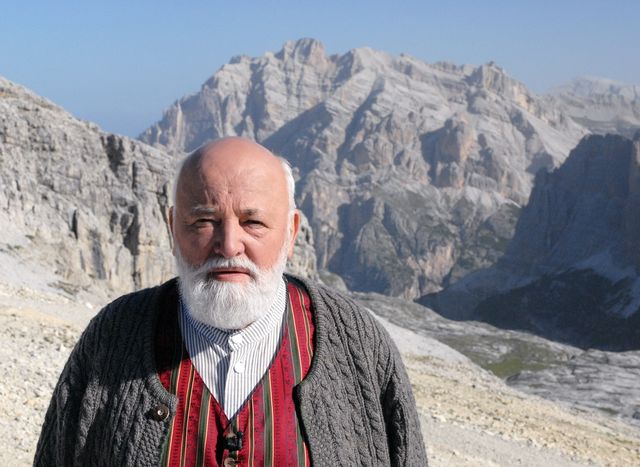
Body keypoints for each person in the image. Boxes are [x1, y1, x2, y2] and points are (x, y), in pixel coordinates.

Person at [35, 137, 427, 466]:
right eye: (204, 221)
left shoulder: (359, 343)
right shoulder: (113, 337)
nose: (228, 245)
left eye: (252, 222)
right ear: (172, 227)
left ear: (291, 232)